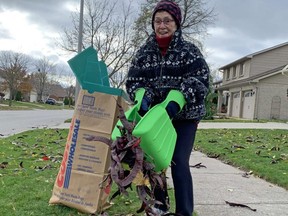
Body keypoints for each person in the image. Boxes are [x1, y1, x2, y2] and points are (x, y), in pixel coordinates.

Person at [125, 0, 210, 215]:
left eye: (167, 21)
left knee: (178, 162)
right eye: (157, 21)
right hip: (154, 119)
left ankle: (184, 212)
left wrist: (178, 99)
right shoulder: (143, 53)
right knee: (153, 164)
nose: (162, 25)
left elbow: (200, 80)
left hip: (184, 118)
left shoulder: (189, 51)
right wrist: (142, 95)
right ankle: (160, 208)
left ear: (177, 23)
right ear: (153, 24)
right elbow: (134, 81)